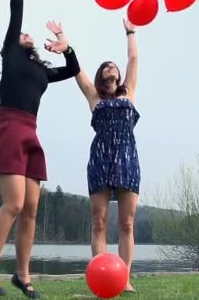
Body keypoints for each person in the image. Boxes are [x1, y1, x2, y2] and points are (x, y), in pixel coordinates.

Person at [0, 0, 82, 298]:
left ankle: (23, 275)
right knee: (14, 205)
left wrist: (66, 46)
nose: (25, 32)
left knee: (32, 209)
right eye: (21, 33)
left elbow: (72, 69)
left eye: (28, 34)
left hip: (31, 134)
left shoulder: (41, 68)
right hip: (8, 127)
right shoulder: (11, 55)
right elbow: (15, 12)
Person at [67, 18, 140, 293]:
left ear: (119, 76)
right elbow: (78, 72)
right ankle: (101, 276)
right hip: (100, 160)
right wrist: (66, 47)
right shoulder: (94, 98)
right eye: (106, 68)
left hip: (127, 160)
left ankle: (124, 278)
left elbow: (133, 58)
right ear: (101, 77)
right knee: (99, 222)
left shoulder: (129, 93)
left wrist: (130, 30)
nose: (112, 70)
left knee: (127, 223)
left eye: (115, 69)